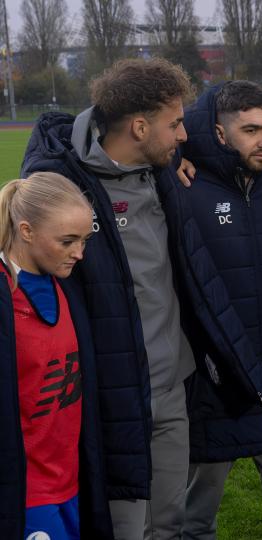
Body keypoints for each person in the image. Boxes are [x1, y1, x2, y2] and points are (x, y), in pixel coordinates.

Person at [20, 58, 197, 539]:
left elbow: (233, 125)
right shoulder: (59, 183)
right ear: (139, 126)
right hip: (111, 399)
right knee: (124, 529)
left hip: (171, 388)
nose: (184, 135)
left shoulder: (161, 169)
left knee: (170, 524)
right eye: (175, 124)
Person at [173, 81, 262, 539]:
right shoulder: (182, 188)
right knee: (197, 515)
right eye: (250, 130)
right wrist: (176, 155)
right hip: (218, 382)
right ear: (216, 132)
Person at [0, 172, 113, 540]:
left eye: (84, 240)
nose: (79, 253)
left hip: (74, 484)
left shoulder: (66, 288)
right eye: (67, 241)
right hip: (28, 494)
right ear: (27, 231)